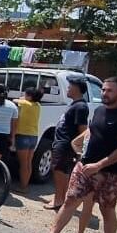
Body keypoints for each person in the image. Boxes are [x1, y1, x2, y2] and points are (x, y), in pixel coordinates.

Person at [30, 77, 117, 233]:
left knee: (107, 209)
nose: (104, 93)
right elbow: (92, 131)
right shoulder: (99, 110)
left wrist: (99, 165)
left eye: (109, 90)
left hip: (110, 172)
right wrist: (78, 144)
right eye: (103, 90)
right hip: (85, 166)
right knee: (70, 201)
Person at [45, 78, 89, 211]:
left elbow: (83, 129)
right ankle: (60, 198)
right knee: (60, 170)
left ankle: (59, 200)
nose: (68, 89)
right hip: (62, 142)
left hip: (65, 144)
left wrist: (79, 148)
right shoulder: (75, 105)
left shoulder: (81, 107)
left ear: (77, 88)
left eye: (70, 86)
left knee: (59, 170)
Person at [14, 86, 42, 192]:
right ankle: (25, 185)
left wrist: (21, 99)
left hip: (22, 135)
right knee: (28, 162)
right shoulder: (38, 105)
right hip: (33, 136)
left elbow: (15, 100)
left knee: (23, 164)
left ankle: (23, 187)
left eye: (25, 94)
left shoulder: (24, 104)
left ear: (29, 96)